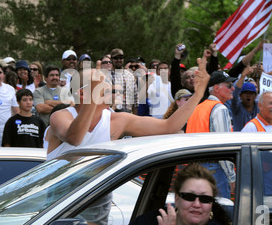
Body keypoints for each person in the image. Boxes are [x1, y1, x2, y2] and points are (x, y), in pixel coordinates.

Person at [47, 55, 210, 160]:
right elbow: (74, 139)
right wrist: (92, 100)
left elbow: (169, 126)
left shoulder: (117, 119)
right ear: (81, 94)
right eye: (101, 85)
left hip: (98, 207)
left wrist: (197, 95)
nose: (111, 88)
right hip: (60, 205)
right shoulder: (61, 116)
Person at [88, 163, 230, 225]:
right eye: (189, 197)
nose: (197, 204)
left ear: (211, 203)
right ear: (177, 198)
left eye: (205, 199)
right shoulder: (153, 219)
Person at [185, 70, 236, 198]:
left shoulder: (197, 108)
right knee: (222, 213)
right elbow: (224, 147)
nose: (233, 88)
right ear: (217, 88)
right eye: (229, 85)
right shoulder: (219, 109)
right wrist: (231, 177)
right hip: (214, 169)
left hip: (194, 169)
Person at [227, 66, 259, 131]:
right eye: (245, 93)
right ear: (240, 95)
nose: (248, 95)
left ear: (255, 96)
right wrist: (243, 76)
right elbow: (235, 93)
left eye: (251, 93)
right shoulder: (236, 107)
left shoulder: (259, 106)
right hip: (239, 140)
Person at [110, 48, 138, 113]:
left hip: (129, 113)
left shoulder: (130, 75)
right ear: (111, 59)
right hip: (114, 113)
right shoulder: (108, 75)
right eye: (116, 58)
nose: (119, 60)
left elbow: (135, 99)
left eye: (121, 57)